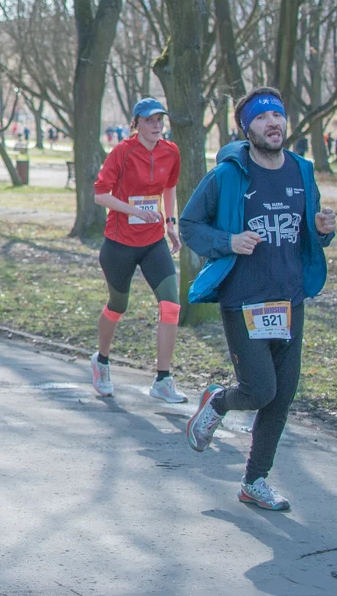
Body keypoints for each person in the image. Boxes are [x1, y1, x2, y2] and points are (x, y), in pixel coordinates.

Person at [182, 87, 335, 511]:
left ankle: (255, 481)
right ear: (246, 127)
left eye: (279, 116)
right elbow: (190, 225)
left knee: (281, 398)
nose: (274, 123)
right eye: (263, 118)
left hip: (289, 300)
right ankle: (217, 402)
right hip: (246, 301)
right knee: (259, 390)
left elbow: (310, 232)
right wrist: (229, 240)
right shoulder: (228, 175)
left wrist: (323, 228)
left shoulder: (302, 171)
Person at [88, 98, 186, 403]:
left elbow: (169, 186)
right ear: (136, 124)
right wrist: (134, 209)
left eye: (160, 120)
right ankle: (101, 362)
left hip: (153, 240)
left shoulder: (171, 152)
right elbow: (100, 195)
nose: (156, 126)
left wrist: (170, 221)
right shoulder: (122, 152)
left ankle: (163, 379)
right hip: (119, 243)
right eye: (149, 120)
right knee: (118, 305)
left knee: (171, 305)